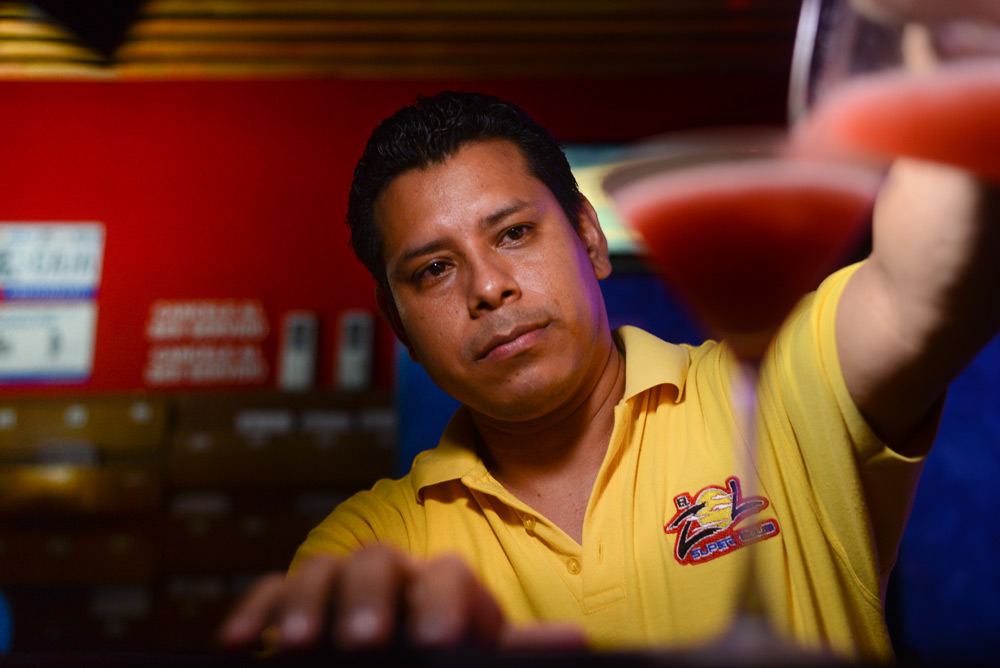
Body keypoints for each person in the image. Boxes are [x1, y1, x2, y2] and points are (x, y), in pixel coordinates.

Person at [218, 87, 999, 661]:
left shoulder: (780, 391)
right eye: (432, 270)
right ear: (402, 330)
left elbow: (930, 280)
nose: (487, 287)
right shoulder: (373, 540)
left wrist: (938, 45)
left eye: (516, 232)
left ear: (591, 238)